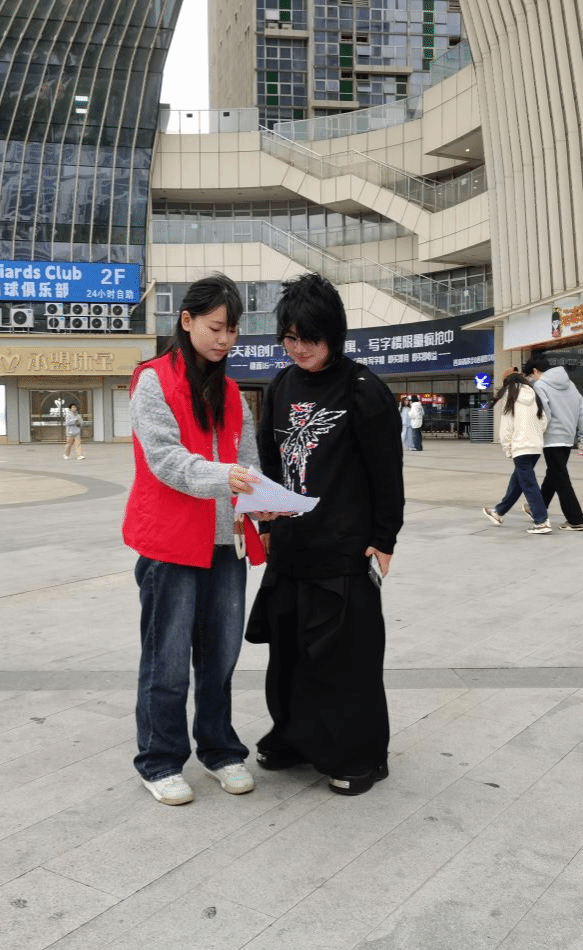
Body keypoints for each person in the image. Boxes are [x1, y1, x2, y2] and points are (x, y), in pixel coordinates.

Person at [246, 273, 405, 796]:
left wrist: (385, 538)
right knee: (289, 655)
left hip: (343, 550)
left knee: (344, 660)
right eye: (290, 339)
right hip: (292, 549)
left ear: (333, 334)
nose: (299, 349)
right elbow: (270, 463)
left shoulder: (363, 389)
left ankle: (358, 756)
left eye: (309, 339)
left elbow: (387, 472)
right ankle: (295, 739)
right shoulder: (280, 386)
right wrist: (266, 521)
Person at [123, 273, 271, 807]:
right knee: (166, 661)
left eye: (232, 330)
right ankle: (160, 759)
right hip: (170, 545)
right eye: (215, 327)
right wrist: (225, 476)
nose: (225, 339)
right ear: (186, 321)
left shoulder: (231, 392)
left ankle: (219, 749)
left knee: (220, 657)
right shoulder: (152, 381)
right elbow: (165, 459)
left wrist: (262, 504)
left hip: (225, 545)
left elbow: (248, 461)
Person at [525, 355, 583, 530]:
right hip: (567, 438)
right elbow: (582, 411)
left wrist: (537, 433)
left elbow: (544, 412)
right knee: (554, 474)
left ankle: (576, 519)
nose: (531, 380)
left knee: (561, 478)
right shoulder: (571, 384)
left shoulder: (540, 385)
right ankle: (537, 508)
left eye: (530, 376)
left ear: (535, 371)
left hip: (552, 438)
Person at [481, 373, 551, 534]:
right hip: (535, 446)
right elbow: (543, 420)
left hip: (521, 446)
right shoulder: (533, 393)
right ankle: (499, 512)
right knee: (519, 480)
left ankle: (542, 521)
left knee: (528, 484)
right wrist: (535, 435)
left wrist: (507, 448)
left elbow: (507, 425)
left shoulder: (510, 394)